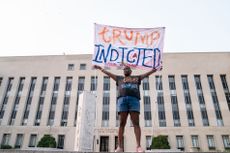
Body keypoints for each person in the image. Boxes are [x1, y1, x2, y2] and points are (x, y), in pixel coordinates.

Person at [94, 64, 161, 152]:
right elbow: (109, 74)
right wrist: (101, 69)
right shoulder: (119, 79)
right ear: (123, 71)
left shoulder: (137, 78)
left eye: (127, 68)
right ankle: (120, 147)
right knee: (122, 123)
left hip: (134, 100)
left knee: (136, 123)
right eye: (124, 69)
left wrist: (155, 69)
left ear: (130, 71)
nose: (126, 69)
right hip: (122, 101)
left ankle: (138, 146)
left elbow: (147, 74)